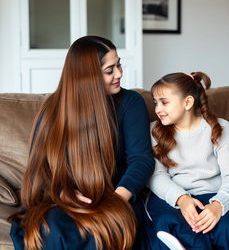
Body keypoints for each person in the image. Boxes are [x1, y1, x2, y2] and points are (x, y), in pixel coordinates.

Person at [9, 36, 155, 250]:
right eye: (110, 70)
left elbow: (141, 160)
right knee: (51, 229)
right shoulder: (53, 109)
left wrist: (116, 200)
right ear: (88, 76)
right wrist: (63, 194)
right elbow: (40, 166)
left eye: (119, 64)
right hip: (64, 200)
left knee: (99, 232)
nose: (119, 74)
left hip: (115, 196)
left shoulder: (131, 103)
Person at [146, 72, 229, 249]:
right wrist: (181, 199)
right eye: (155, 102)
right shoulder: (154, 131)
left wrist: (219, 205)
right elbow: (156, 176)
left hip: (216, 194)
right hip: (175, 196)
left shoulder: (220, 128)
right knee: (180, 229)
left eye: (164, 102)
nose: (158, 109)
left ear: (187, 102)